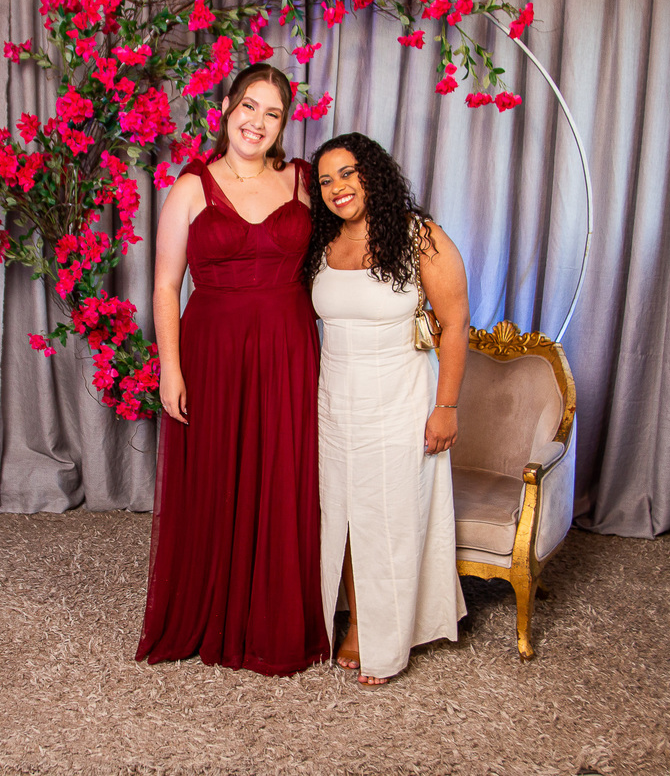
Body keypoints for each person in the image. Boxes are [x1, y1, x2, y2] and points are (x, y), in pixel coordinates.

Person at [136, 64, 329, 675]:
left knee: (283, 474)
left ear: (283, 124)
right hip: (213, 352)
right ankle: (215, 610)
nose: (257, 122)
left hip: (288, 348)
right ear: (226, 107)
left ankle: (273, 617)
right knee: (217, 474)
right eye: (249, 106)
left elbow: (352, 248)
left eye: (272, 113)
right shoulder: (191, 187)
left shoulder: (304, 181)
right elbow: (166, 286)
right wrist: (170, 369)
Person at [303, 132, 469, 685]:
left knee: (393, 517)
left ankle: (385, 636)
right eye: (326, 180)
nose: (337, 187)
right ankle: (354, 618)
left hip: (401, 398)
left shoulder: (420, 236)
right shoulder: (321, 242)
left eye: (348, 173)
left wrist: (446, 407)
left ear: (373, 173)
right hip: (334, 401)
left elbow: (455, 325)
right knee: (343, 517)